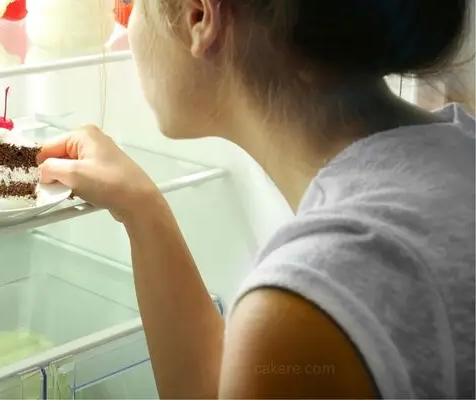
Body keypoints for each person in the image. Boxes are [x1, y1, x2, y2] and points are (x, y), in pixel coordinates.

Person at [38, 0, 475, 398]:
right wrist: (141, 210)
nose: (128, 25)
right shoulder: (458, 151)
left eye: (129, 6)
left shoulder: (315, 296)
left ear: (198, 17)